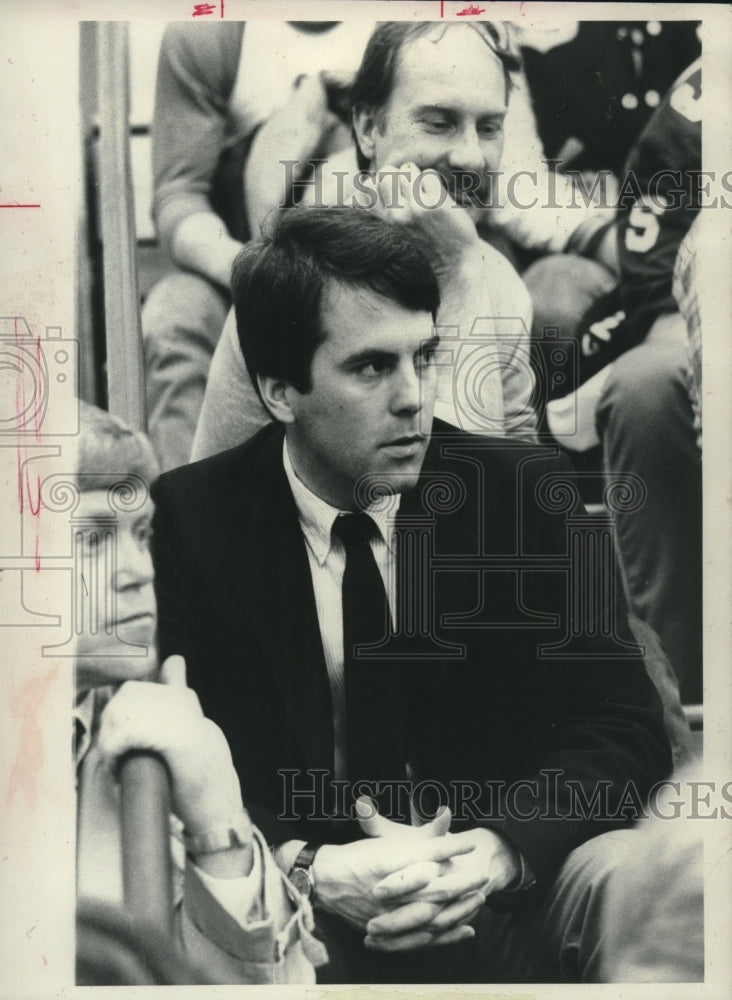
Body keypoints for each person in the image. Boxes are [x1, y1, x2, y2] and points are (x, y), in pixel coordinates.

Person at [152, 208, 672, 983]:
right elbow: (167, 773)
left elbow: (624, 729)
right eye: (371, 368)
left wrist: (498, 851)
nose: (413, 398)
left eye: (423, 357)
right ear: (279, 390)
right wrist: (308, 868)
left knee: (624, 875)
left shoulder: (518, 494)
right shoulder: (191, 523)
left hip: (504, 887)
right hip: (305, 911)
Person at [191, 20, 544, 462]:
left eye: (489, 127)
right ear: (368, 128)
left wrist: (462, 272)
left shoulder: (493, 278)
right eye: (439, 123)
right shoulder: (288, 277)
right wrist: (459, 268)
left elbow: (502, 498)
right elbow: (211, 501)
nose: (471, 156)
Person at [74, 402, 326, 984]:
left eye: (142, 534)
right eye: (91, 540)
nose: (137, 569)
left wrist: (217, 819)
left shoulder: (144, 737)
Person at [143, 20, 376, 470]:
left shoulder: (407, 23)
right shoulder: (210, 33)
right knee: (175, 312)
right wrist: (253, 268)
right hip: (246, 256)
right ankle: (188, 518)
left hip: (374, 267)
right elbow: (179, 194)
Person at [542, 60, 703, 704]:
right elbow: (655, 234)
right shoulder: (711, 86)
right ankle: (681, 710)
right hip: (702, 318)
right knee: (643, 386)